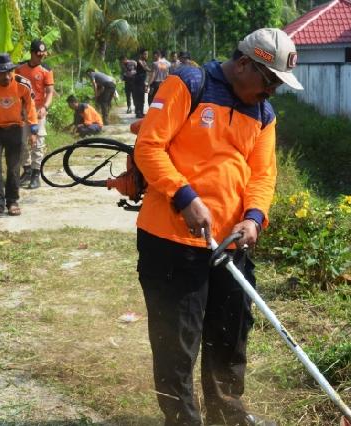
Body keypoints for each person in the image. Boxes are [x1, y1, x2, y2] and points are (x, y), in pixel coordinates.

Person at [133, 28, 303, 426]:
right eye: (270, 81)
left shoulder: (263, 114)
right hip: (171, 242)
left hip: (230, 246)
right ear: (244, 63)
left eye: (278, 85)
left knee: (230, 336)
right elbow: (149, 147)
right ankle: (181, 420)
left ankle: (226, 415)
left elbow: (263, 175)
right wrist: (185, 197)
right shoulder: (189, 84)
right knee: (177, 343)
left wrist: (254, 217)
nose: (272, 92)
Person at [0, 53, 38, 217]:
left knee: (14, 167)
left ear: (13, 70)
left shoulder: (23, 84)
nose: (6, 76)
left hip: (16, 129)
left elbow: (30, 107)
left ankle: (12, 201)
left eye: (9, 72)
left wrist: (33, 130)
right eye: (2, 73)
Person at [15, 39, 55, 190]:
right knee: (21, 142)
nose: (41, 58)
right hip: (22, 110)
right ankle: (26, 170)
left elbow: (50, 92)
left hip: (38, 111)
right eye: (38, 55)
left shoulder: (46, 70)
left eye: (43, 55)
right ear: (31, 53)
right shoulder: (20, 68)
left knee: (38, 143)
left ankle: (36, 174)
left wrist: (45, 107)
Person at [133, 48, 150, 118]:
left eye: (147, 54)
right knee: (138, 98)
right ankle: (138, 112)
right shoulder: (139, 61)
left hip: (142, 82)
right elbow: (146, 69)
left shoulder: (144, 62)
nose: (147, 56)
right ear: (141, 55)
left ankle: (141, 112)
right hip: (137, 83)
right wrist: (154, 69)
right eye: (145, 54)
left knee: (142, 98)